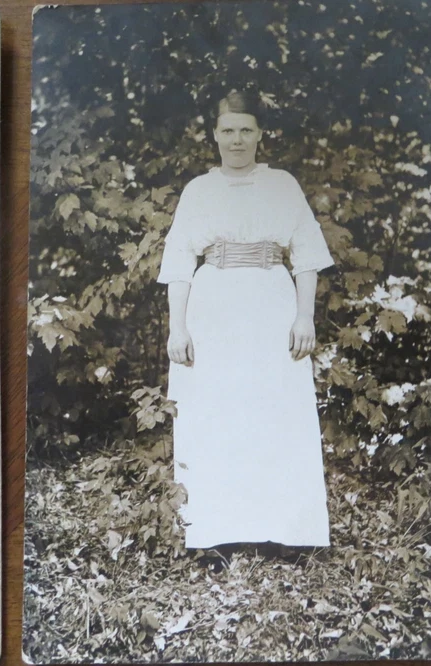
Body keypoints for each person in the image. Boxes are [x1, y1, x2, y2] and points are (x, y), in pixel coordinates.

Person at [156, 89, 334, 554]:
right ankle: (214, 533)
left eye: (246, 130)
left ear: (260, 134)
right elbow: (178, 265)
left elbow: (307, 257)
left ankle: (287, 533)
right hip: (214, 308)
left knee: (274, 408)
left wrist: (304, 316)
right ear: (215, 135)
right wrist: (178, 327)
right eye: (228, 131)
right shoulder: (199, 190)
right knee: (216, 409)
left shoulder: (282, 185)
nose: (237, 140)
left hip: (272, 305)